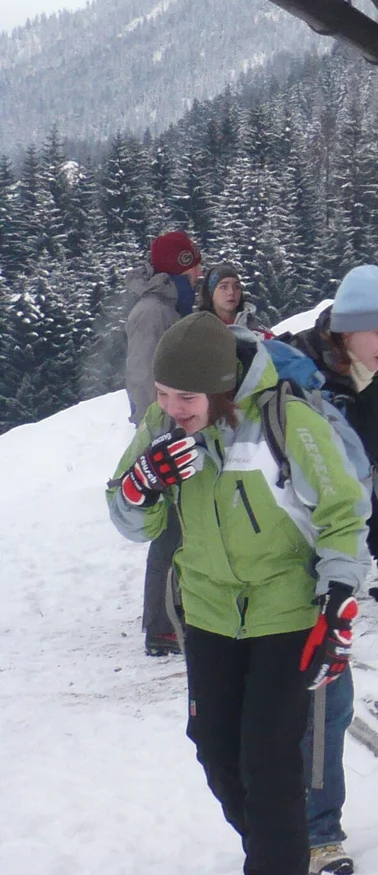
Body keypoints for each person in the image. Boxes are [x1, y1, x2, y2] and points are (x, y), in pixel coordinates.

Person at [106, 311, 368, 875]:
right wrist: (140, 490)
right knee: (215, 750)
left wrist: (338, 598)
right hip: (209, 614)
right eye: (164, 394)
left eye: (186, 397)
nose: (172, 408)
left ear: (222, 388)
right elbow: (127, 519)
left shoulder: (287, 421)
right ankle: (280, 847)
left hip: (286, 614)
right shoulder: (160, 427)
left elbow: (342, 514)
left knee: (268, 759)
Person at [293, 266, 378, 604]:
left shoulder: (372, 378)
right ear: (347, 332)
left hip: (335, 550)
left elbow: (372, 465)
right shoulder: (298, 374)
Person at [125, 229, 203, 655]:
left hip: (181, 425)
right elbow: (141, 377)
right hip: (165, 431)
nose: (200, 273)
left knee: (184, 523)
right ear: (178, 266)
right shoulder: (153, 312)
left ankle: (174, 614)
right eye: (193, 264)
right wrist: (156, 430)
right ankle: (160, 625)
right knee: (170, 528)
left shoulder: (174, 306)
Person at [199, 261, 276, 338]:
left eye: (237, 287)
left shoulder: (259, 334)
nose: (231, 292)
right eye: (223, 287)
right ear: (211, 293)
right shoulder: (199, 332)